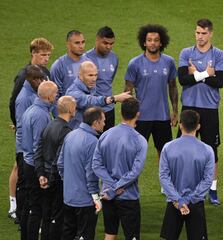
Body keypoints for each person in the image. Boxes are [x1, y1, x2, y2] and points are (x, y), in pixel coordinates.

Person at [178, 18, 223, 205]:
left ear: (211, 33)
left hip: (209, 109)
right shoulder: (186, 52)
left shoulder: (219, 54)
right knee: (182, 148)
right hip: (189, 108)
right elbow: (182, 79)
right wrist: (207, 73)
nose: (199, 36)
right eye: (197, 32)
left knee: (211, 151)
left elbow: (220, 82)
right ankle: (179, 186)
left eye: (203, 33)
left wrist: (196, 75)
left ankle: (212, 190)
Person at [8, 38, 53, 221]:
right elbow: (14, 102)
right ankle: (15, 206)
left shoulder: (45, 73)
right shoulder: (23, 77)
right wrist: (20, 125)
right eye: (43, 55)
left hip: (38, 125)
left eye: (48, 55)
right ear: (33, 54)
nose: (46, 59)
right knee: (21, 168)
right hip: (27, 131)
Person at [92, 98, 147, 240]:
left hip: (108, 195)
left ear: (121, 112)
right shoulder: (139, 140)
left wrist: (111, 187)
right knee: (132, 237)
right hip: (128, 196)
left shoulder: (105, 135)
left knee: (110, 235)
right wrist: (116, 187)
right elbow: (135, 171)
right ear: (138, 114)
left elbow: (96, 165)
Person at [124, 24, 178, 160]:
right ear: (144, 42)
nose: (152, 43)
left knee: (165, 155)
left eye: (156, 40)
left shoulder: (169, 62)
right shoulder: (134, 63)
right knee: (134, 154)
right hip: (141, 117)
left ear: (161, 43)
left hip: (163, 117)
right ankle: (131, 181)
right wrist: (128, 116)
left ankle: (165, 181)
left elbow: (173, 87)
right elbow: (127, 91)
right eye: (149, 40)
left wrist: (175, 111)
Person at [159, 110, 214, 240]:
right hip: (195, 203)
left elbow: (163, 177)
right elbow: (207, 180)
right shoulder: (207, 150)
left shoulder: (168, 147)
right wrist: (189, 200)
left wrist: (178, 200)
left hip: (174, 203)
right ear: (198, 126)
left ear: (181, 125)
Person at [57, 107, 105, 240]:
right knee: (85, 235)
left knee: (68, 233)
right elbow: (92, 173)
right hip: (85, 201)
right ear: (95, 123)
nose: (104, 124)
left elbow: (60, 163)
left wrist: (68, 182)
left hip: (68, 197)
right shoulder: (92, 142)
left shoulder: (70, 135)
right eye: (103, 121)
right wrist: (95, 196)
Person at [33, 96, 76, 240]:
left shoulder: (49, 125)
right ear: (70, 109)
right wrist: (51, 180)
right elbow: (59, 161)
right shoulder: (66, 131)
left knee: (46, 216)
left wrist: (40, 175)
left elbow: (38, 151)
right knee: (57, 217)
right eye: (74, 106)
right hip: (55, 180)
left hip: (45, 177)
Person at [21, 81, 58, 240]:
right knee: (38, 209)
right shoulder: (41, 115)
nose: (57, 97)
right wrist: (41, 172)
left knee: (32, 206)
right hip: (35, 166)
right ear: (49, 97)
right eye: (56, 95)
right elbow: (39, 147)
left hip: (27, 162)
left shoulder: (31, 110)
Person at [15, 65, 47, 239]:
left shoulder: (32, 96)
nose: (41, 82)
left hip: (28, 155)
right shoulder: (25, 98)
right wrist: (24, 155)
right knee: (33, 204)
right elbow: (22, 130)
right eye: (38, 79)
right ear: (29, 79)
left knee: (30, 202)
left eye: (41, 79)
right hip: (28, 157)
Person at [66, 61, 131, 129]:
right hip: (76, 132)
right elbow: (90, 101)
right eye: (90, 75)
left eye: (96, 75)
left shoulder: (89, 86)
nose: (94, 79)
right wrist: (114, 98)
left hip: (87, 129)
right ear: (80, 75)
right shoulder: (73, 93)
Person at [86, 26, 119, 131]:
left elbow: (109, 80)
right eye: (105, 43)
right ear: (97, 40)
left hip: (109, 108)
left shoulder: (114, 58)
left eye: (111, 44)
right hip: (92, 109)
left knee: (107, 142)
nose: (108, 47)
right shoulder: (86, 59)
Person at [50, 30, 88, 97]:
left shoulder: (89, 63)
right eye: (77, 43)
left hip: (86, 105)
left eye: (83, 42)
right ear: (68, 44)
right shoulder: (58, 66)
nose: (81, 46)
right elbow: (55, 93)